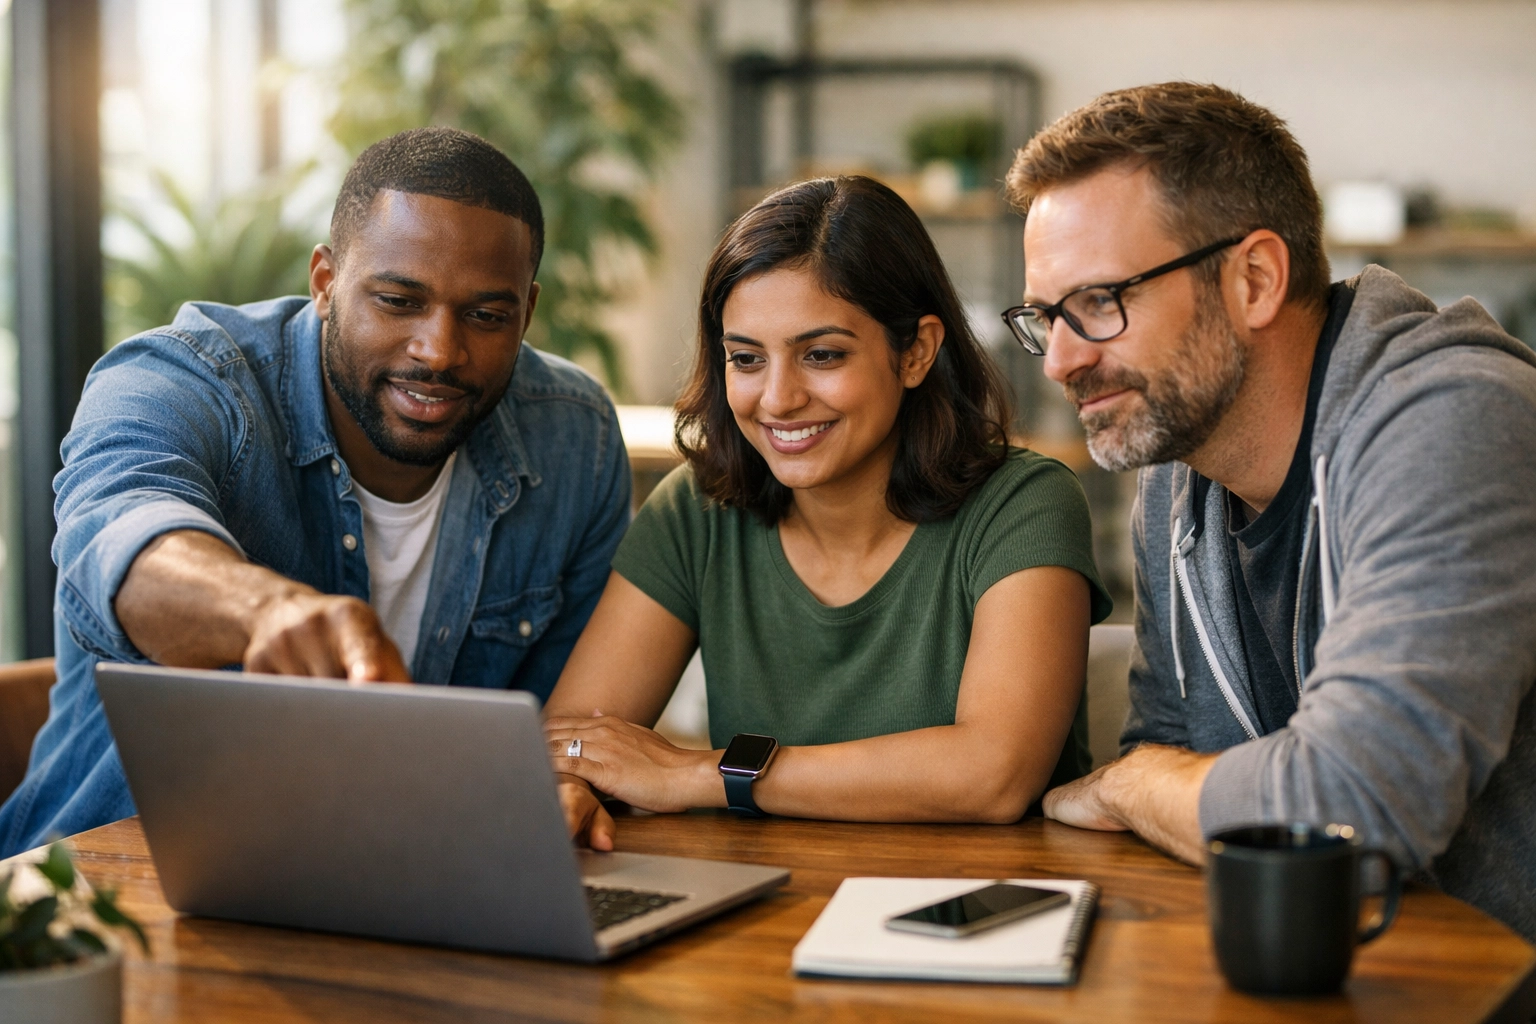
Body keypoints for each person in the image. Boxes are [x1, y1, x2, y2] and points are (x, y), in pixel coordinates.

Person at [0, 127, 631, 857]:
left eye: (487, 316)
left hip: (413, 878)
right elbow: (118, 539)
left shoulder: (573, 438)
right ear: (325, 281)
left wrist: (562, 781)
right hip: (107, 883)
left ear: (527, 310)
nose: (439, 351)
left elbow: (566, 728)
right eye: (398, 301)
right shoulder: (181, 380)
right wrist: (267, 610)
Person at [1004, 83, 1536, 939]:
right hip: (1313, 965)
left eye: (1099, 302)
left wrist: (1130, 786)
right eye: (1044, 317)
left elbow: (1350, 810)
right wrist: (1157, 783)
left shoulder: (1459, 420)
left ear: (1254, 279)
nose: (1059, 361)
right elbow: (1169, 753)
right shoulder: (1174, 473)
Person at [542, 176, 1112, 851]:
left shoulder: (1025, 504)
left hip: (980, 904)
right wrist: (570, 784)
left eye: (822, 355)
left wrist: (698, 774)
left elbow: (993, 774)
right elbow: (573, 740)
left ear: (916, 352)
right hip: (763, 901)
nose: (778, 399)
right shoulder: (696, 512)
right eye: (746, 359)